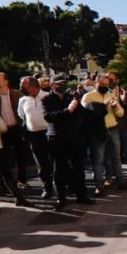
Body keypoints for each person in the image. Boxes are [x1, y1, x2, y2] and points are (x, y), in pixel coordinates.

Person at [42, 75, 93, 209]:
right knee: (59, 169)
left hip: (74, 138)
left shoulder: (70, 98)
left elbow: (82, 114)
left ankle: (82, 195)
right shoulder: (46, 99)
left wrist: (77, 104)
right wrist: (68, 111)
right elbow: (49, 117)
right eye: (59, 84)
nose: (63, 86)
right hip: (57, 139)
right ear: (53, 85)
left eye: (64, 83)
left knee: (78, 168)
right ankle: (61, 198)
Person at [82, 75, 125, 194]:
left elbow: (121, 114)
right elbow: (87, 115)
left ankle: (121, 182)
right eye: (102, 84)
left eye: (107, 85)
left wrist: (115, 107)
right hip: (97, 132)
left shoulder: (111, 95)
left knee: (116, 157)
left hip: (113, 129)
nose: (105, 87)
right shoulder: (88, 97)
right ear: (95, 83)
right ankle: (99, 187)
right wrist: (103, 106)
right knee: (98, 160)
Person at [0, 72, 30, 189]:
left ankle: (22, 180)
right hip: (1, 131)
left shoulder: (17, 94)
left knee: (21, 156)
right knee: (3, 158)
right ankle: (6, 183)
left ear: (6, 81)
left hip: (16, 129)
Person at [18, 76, 55, 199]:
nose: (21, 88)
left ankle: (64, 185)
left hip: (49, 133)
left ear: (33, 87)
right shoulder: (23, 100)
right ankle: (47, 188)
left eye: (24, 86)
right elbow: (22, 115)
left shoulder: (48, 96)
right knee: (41, 163)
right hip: (34, 135)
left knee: (56, 160)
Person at [106, 72, 127, 182]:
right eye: (107, 79)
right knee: (112, 155)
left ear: (117, 80)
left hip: (124, 128)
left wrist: (125, 101)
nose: (109, 81)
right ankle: (111, 177)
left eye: (111, 79)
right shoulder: (104, 93)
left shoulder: (125, 92)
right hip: (110, 128)